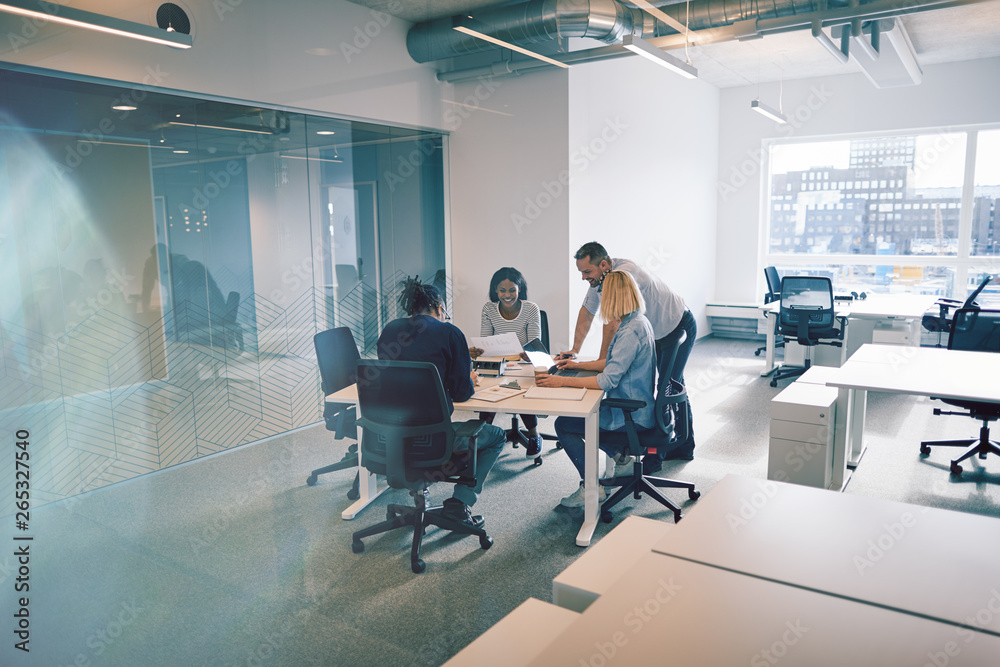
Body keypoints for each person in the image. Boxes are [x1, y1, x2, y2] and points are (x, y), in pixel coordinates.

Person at [376, 276, 506, 529]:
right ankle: (460, 504)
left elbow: (392, 378)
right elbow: (461, 394)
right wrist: (467, 377)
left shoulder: (391, 329)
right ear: (439, 307)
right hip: (434, 444)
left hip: (389, 441)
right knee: (497, 435)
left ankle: (417, 488)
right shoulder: (450, 332)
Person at [557, 242, 696, 469]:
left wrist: (605, 364)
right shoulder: (601, 278)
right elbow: (588, 311)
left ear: (603, 265)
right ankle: (653, 448)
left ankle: (676, 448)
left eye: (586, 272)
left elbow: (611, 324)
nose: (583, 277)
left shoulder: (623, 277)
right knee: (653, 383)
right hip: (652, 331)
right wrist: (575, 349)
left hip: (676, 323)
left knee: (669, 385)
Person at [536, 271, 655, 507]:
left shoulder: (629, 331)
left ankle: (592, 488)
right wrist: (576, 366)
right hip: (637, 406)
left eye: (604, 296)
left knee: (565, 424)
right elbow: (612, 363)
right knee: (586, 417)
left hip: (631, 413)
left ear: (612, 298)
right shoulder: (636, 321)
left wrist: (562, 381)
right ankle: (621, 460)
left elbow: (606, 381)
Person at [472, 267, 544, 457]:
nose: (507, 295)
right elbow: (486, 340)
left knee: (521, 391)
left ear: (520, 289)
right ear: (495, 290)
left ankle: (535, 435)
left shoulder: (531, 309)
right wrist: (479, 351)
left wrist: (528, 354)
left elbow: (534, 344)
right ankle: (482, 436)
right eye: (502, 290)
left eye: (512, 289)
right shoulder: (488, 308)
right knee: (487, 394)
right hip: (499, 363)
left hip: (525, 365)